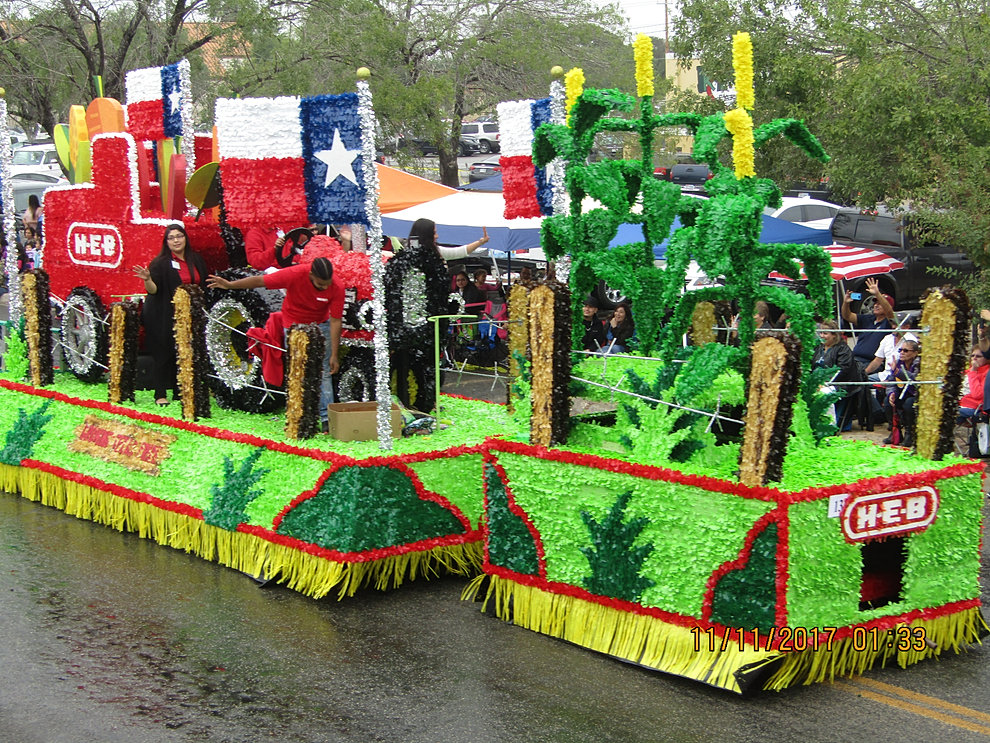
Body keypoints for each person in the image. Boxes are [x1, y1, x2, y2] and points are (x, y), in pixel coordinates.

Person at [207, 257, 344, 430]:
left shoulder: (337, 286)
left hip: (320, 324)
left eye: (327, 284)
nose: (324, 288)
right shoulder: (295, 274)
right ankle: (299, 416)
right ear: (310, 274)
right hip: (293, 324)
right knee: (297, 369)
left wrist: (334, 354)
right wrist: (229, 285)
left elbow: (336, 321)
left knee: (323, 369)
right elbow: (259, 281)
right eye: (320, 284)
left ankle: (326, 419)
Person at [132, 223, 209, 406]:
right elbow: (153, 290)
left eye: (179, 236)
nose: (176, 240)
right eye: (172, 238)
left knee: (183, 351)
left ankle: (179, 390)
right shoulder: (160, 262)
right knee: (163, 352)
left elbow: (202, 283)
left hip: (188, 314)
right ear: (166, 242)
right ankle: (160, 393)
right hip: (162, 313)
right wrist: (147, 279)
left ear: (185, 238)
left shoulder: (195, 259)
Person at [812, 320, 863, 429]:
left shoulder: (843, 349)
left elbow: (842, 370)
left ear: (834, 335)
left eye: (825, 333)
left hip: (838, 383)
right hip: (817, 382)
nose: (822, 336)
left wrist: (825, 383)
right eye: (821, 333)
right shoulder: (818, 348)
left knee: (823, 394)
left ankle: (829, 426)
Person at [841, 277, 896, 371]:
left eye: (880, 303)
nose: (876, 305)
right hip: (855, 359)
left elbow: (890, 313)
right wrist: (846, 303)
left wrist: (877, 294)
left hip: (871, 363)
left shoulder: (889, 323)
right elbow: (848, 316)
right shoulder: (868, 318)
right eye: (875, 303)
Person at [883, 339, 921, 446]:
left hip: (916, 394)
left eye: (906, 350)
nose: (902, 353)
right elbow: (891, 381)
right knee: (888, 402)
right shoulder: (898, 363)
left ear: (915, 353)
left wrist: (898, 372)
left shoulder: (919, 364)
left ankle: (909, 433)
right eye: (900, 350)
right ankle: (896, 431)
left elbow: (914, 379)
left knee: (909, 403)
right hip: (901, 392)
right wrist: (891, 394)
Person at [407, 218, 489, 260]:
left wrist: (481, 242)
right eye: (434, 233)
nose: (437, 236)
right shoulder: (408, 258)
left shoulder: (437, 252)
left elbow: (461, 251)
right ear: (426, 235)